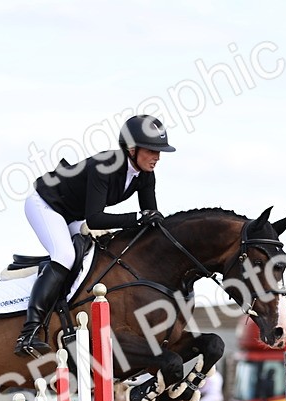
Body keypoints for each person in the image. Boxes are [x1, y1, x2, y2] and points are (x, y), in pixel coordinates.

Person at [15, 114, 177, 356]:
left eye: (160, 151)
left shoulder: (145, 175)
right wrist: (138, 218)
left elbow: (149, 217)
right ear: (131, 149)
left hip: (72, 213)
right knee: (65, 255)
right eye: (152, 150)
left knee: (98, 256)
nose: (157, 157)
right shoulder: (105, 166)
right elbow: (96, 219)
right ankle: (28, 333)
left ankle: (66, 315)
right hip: (46, 205)